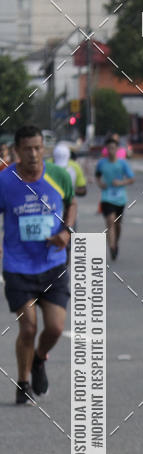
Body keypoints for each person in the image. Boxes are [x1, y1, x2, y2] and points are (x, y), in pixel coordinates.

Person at [0, 125, 76, 403]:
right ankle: (23, 384)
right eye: (27, 149)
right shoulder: (5, 181)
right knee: (29, 326)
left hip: (53, 263)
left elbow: (72, 203)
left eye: (38, 147)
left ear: (43, 147)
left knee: (55, 327)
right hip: (18, 266)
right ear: (17, 152)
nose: (33, 154)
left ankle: (39, 359)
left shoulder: (58, 175)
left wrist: (66, 231)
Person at [95, 134, 134, 260]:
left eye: (113, 148)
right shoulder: (101, 163)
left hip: (120, 198)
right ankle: (111, 247)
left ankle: (115, 243)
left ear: (117, 149)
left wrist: (121, 183)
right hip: (106, 197)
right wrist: (100, 184)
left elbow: (131, 179)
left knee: (117, 224)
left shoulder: (122, 164)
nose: (111, 150)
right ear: (106, 149)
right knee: (110, 221)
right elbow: (97, 176)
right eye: (109, 148)